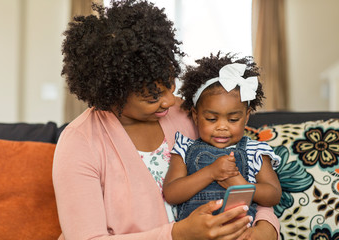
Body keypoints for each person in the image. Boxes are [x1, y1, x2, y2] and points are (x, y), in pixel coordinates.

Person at [52, 0, 280, 239]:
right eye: (153, 97)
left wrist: (266, 227)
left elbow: (249, 173)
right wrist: (178, 234)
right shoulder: (79, 143)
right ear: (113, 94)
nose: (170, 101)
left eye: (171, 85)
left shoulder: (193, 114)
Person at [162, 52, 282, 223]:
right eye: (211, 119)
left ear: (246, 117)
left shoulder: (255, 150)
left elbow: (274, 194)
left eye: (233, 119)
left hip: (238, 232)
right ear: (196, 116)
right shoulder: (184, 148)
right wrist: (210, 173)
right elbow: (172, 193)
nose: (222, 127)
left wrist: (241, 186)